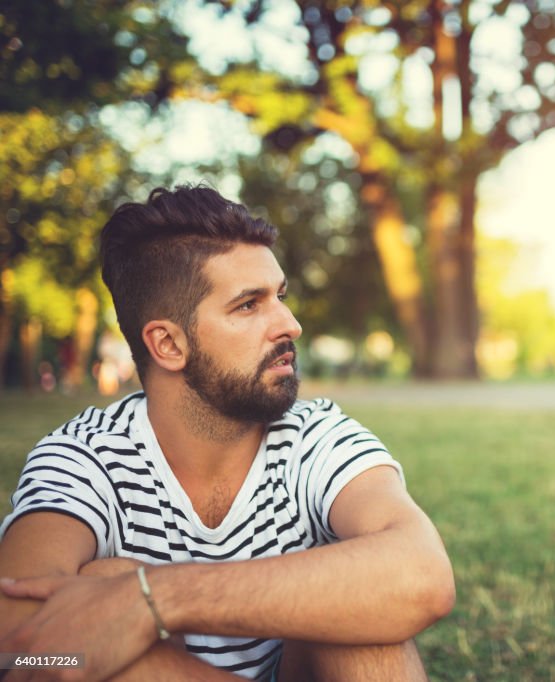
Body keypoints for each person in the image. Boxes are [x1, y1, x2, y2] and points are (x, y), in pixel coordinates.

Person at [0, 185, 455, 681]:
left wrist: (152, 597)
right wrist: (120, 600)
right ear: (169, 344)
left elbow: (421, 574)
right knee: (100, 584)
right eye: (248, 305)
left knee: (366, 618)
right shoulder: (86, 457)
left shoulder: (315, 436)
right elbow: (15, 640)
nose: (290, 324)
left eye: (279, 297)